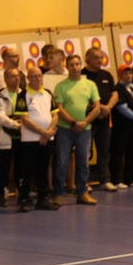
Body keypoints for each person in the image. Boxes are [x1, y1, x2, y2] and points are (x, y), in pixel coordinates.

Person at [53, 54, 100, 205]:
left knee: (83, 162)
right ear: (67, 67)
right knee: (62, 161)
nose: (75, 67)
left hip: (85, 130)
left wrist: (84, 122)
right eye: (71, 64)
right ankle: (59, 193)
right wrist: (74, 123)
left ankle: (82, 192)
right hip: (65, 129)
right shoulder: (60, 86)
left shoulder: (90, 84)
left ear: (81, 66)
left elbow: (97, 107)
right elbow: (59, 109)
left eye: (77, 64)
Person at [18, 65, 59, 211]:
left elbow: (54, 115)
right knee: (27, 170)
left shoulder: (47, 93)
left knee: (43, 169)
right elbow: (24, 119)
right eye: (34, 76)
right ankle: (24, 200)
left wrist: (48, 133)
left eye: (40, 75)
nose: (38, 78)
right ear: (28, 78)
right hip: (30, 140)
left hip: (47, 139)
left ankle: (43, 199)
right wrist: (42, 131)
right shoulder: (23, 95)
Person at [82, 48, 119, 192]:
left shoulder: (106, 75)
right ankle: (83, 182)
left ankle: (105, 179)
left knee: (104, 151)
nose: (100, 60)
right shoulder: (83, 75)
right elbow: (82, 97)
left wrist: (108, 107)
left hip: (105, 120)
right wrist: (98, 108)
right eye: (96, 58)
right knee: (85, 152)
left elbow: (114, 94)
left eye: (101, 58)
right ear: (89, 59)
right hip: (89, 120)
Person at [0, 67, 24, 207]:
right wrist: (15, 124)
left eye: (18, 76)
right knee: (4, 167)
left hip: (22, 138)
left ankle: (22, 192)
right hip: (7, 137)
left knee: (21, 166)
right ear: (5, 79)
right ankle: (1, 193)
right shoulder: (1, 97)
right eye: (12, 76)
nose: (16, 79)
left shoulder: (25, 94)